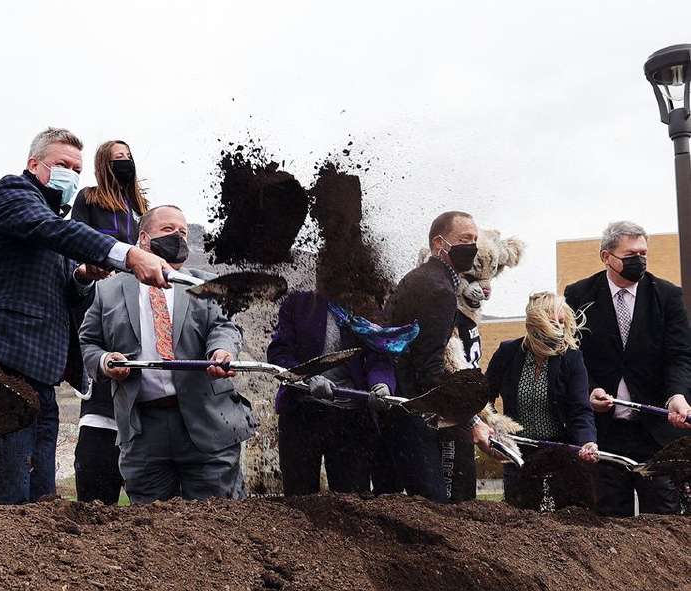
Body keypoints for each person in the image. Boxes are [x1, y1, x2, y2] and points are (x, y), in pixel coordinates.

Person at [0, 128, 170, 505]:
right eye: (61, 165)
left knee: (43, 497)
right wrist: (128, 255)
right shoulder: (15, 194)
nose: (71, 174)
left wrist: (82, 276)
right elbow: (50, 230)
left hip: (43, 374)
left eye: (77, 168)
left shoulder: (54, 220)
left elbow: (65, 285)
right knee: (10, 493)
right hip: (2, 365)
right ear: (33, 164)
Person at [80, 205, 254, 504]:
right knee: (151, 532)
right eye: (169, 230)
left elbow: (223, 327)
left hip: (206, 424)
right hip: (143, 431)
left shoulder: (206, 284)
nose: (178, 237)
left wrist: (221, 351)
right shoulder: (107, 291)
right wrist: (106, 362)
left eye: (183, 231)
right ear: (144, 238)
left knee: (218, 524)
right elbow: (89, 342)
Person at [563, 221, 691, 516]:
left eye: (644, 253)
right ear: (606, 256)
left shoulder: (668, 296)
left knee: (662, 521)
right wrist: (589, 390)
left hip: (655, 434)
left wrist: (677, 396)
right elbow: (572, 357)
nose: (640, 260)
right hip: (604, 435)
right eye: (631, 254)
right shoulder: (578, 295)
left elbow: (680, 355)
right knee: (608, 522)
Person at [385, 211, 492, 502]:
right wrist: (470, 420)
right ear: (438, 243)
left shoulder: (419, 279)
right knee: (436, 507)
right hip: (417, 412)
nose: (471, 246)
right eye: (463, 240)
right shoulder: (439, 290)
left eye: (474, 240)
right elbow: (429, 367)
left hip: (401, 406)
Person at [69, 140, 149, 504]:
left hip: (139, 296)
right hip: (103, 292)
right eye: (118, 158)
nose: (125, 162)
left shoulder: (141, 208)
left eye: (129, 158)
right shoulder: (89, 198)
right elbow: (77, 240)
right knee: (106, 355)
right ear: (104, 163)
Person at [267, 288, 403, 496]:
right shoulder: (299, 302)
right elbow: (279, 353)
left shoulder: (366, 306)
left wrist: (382, 385)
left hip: (351, 419)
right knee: (299, 500)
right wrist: (307, 377)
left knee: (352, 501)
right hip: (302, 413)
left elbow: (380, 356)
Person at [482, 292, 598, 509]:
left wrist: (587, 442)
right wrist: (491, 427)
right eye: (553, 323)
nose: (559, 330)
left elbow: (580, 410)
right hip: (518, 453)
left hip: (558, 453)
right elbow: (483, 397)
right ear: (536, 326)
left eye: (562, 323)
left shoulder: (571, 358)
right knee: (520, 515)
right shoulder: (508, 353)